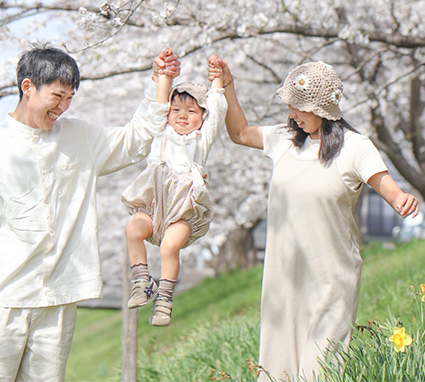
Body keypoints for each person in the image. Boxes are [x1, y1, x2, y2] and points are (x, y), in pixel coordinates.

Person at [208, 56, 419, 382]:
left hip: (331, 279)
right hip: (283, 278)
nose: (291, 114)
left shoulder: (356, 147)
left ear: (323, 109)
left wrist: (402, 200)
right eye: (290, 105)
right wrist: (228, 84)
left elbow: (389, 189)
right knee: (277, 370)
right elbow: (240, 132)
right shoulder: (284, 139)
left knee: (321, 370)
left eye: (299, 107)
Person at [0, 44, 180, 382]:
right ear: (27, 87)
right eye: (57, 96)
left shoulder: (79, 136)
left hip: (59, 296)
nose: (64, 107)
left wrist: (160, 81)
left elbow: (136, 140)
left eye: (70, 98)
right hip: (5, 295)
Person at [121, 52, 227, 327]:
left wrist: (217, 81)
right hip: (154, 203)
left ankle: (165, 300)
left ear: (201, 117)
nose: (182, 116)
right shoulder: (160, 133)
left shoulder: (201, 141)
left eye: (191, 112)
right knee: (133, 230)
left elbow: (217, 110)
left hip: (182, 209)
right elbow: (155, 106)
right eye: (176, 110)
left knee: (170, 246)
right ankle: (142, 280)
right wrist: (164, 76)